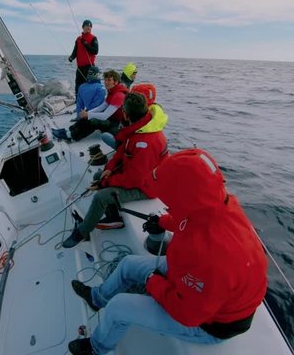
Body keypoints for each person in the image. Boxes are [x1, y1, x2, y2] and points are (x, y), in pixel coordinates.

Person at [66, 148, 269, 355]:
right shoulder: (221, 205)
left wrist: (154, 283)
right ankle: (97, 298)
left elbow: (188, 315)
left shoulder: (210, 258)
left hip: (210, 324)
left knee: (119, 307)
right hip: (202, 286)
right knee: (127, 264)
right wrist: (162, 222)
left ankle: (95, 348)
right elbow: (191, 219)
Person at [61, 92, 168, 248]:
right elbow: (121, 152)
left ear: (126, 113)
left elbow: (135, 179)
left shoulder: (146, 143)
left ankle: (82, 233)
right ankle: (113, 217)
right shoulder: (138, 128)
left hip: (148, 187)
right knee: (99, 174)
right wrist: (109, 169)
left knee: (101, 197)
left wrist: (105, 183)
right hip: (138, 177)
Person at [52, 70, 127, 142]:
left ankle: (71, 136)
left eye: (109, 80)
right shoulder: (112, 92)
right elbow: (102, 106)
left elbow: (105, 116)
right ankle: (69, 130)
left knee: (93, 121)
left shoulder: (118, 95)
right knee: (88, 114)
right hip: (111, 119)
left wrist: (88, 114)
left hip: (116, 126)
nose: (106, 82)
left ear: (116, 82)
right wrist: (87, 113)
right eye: (105, 80)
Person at [101, 83, 167, 150]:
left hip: (131, 144)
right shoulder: (154, 113)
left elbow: (129, 130)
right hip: (140, 141)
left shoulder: (137, 113)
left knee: (105, 135)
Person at [68, 20, 99, 97]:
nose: (89, 27)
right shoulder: (78, 39)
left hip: (89, 66)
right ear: (83, 27)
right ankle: (78, 100)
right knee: (78, 84)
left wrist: (85, 44)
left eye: (90, 26)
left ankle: (89, 101)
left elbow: (95, 51)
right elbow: (75, 50)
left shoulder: (93, 38)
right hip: (80, 67)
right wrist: (72, 57)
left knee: (89, 85)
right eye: (87, 26)